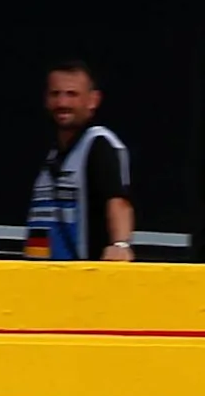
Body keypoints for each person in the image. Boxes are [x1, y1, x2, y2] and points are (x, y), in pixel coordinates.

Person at [25, 61, 134, 262]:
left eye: (72, 94)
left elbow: (118, 201)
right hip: (42, 278)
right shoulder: (52, 153)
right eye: (55, 94)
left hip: (83, 278)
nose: (62, 103)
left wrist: (120, 245)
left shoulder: (99, 144)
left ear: (93, 100)